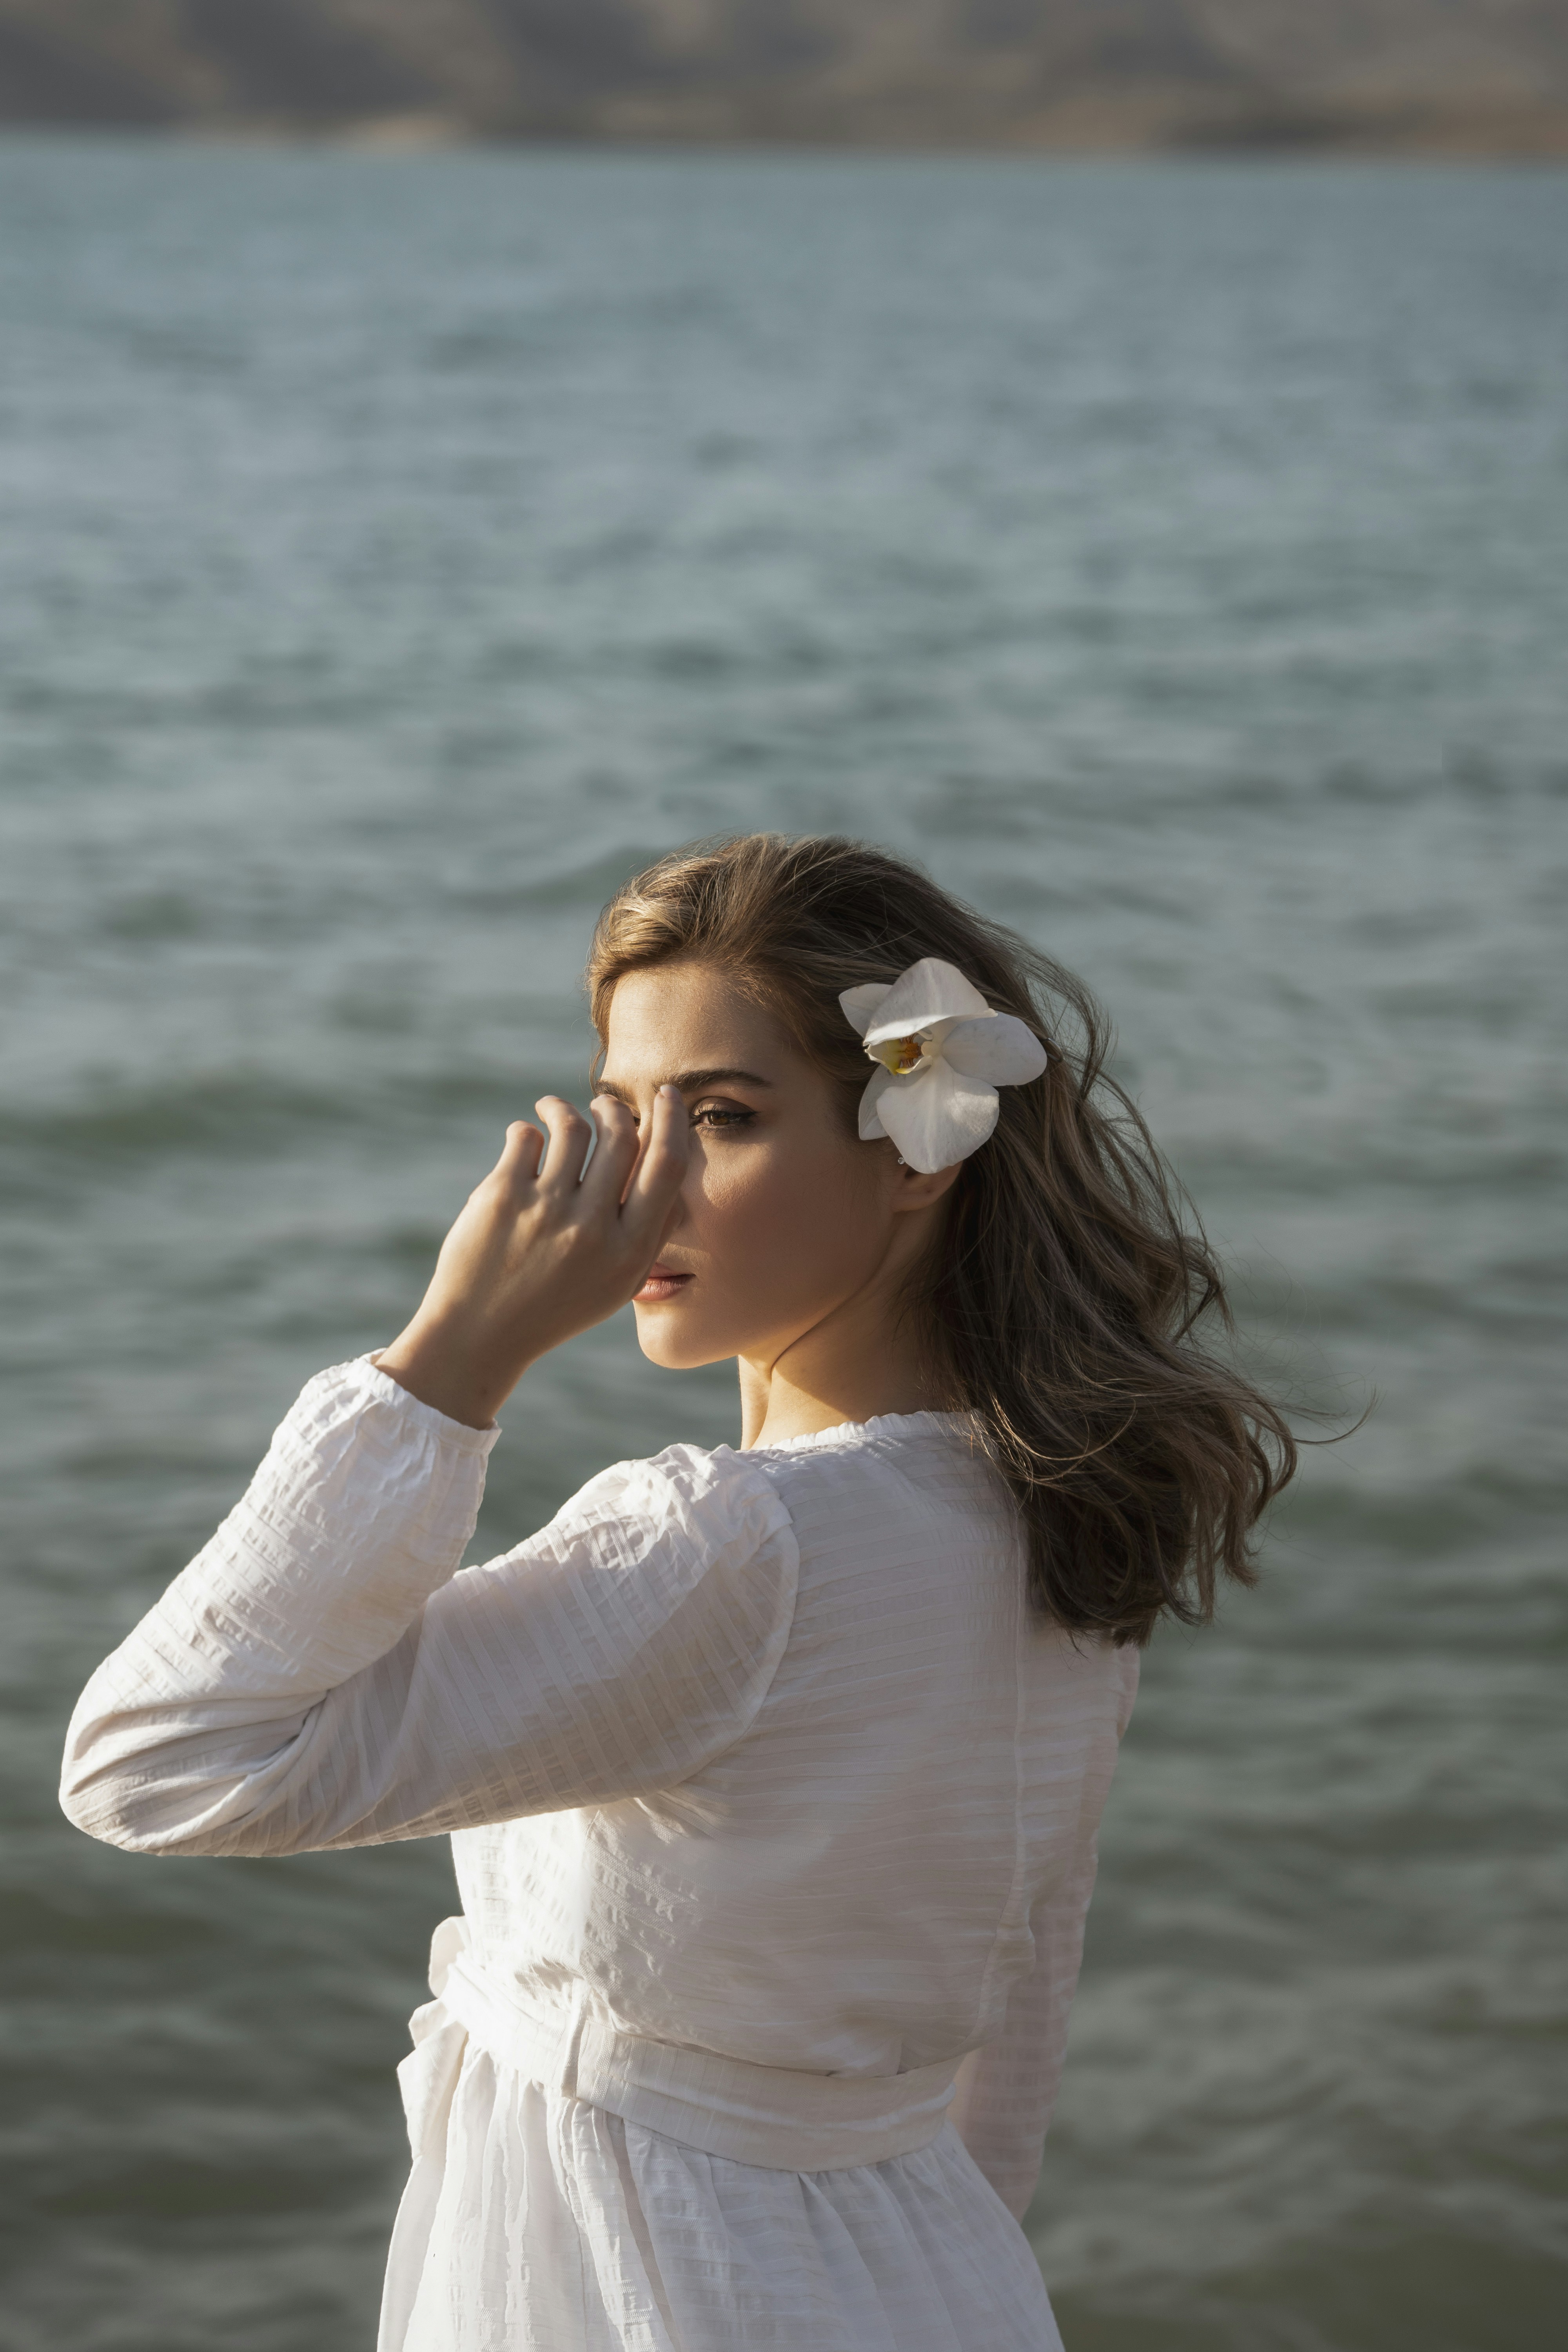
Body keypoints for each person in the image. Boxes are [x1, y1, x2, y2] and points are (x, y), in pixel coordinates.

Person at [60, 833, 1294, 2352]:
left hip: (639, 2301)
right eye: (623, 1118)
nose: (643, 1187)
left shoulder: (723, 1547)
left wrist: (452, 1356)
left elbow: (155, 1760)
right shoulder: (1050, 1511)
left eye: (719, 1117)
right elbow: (1009, 2040)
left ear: (916, 1150)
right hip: (926, 2284)